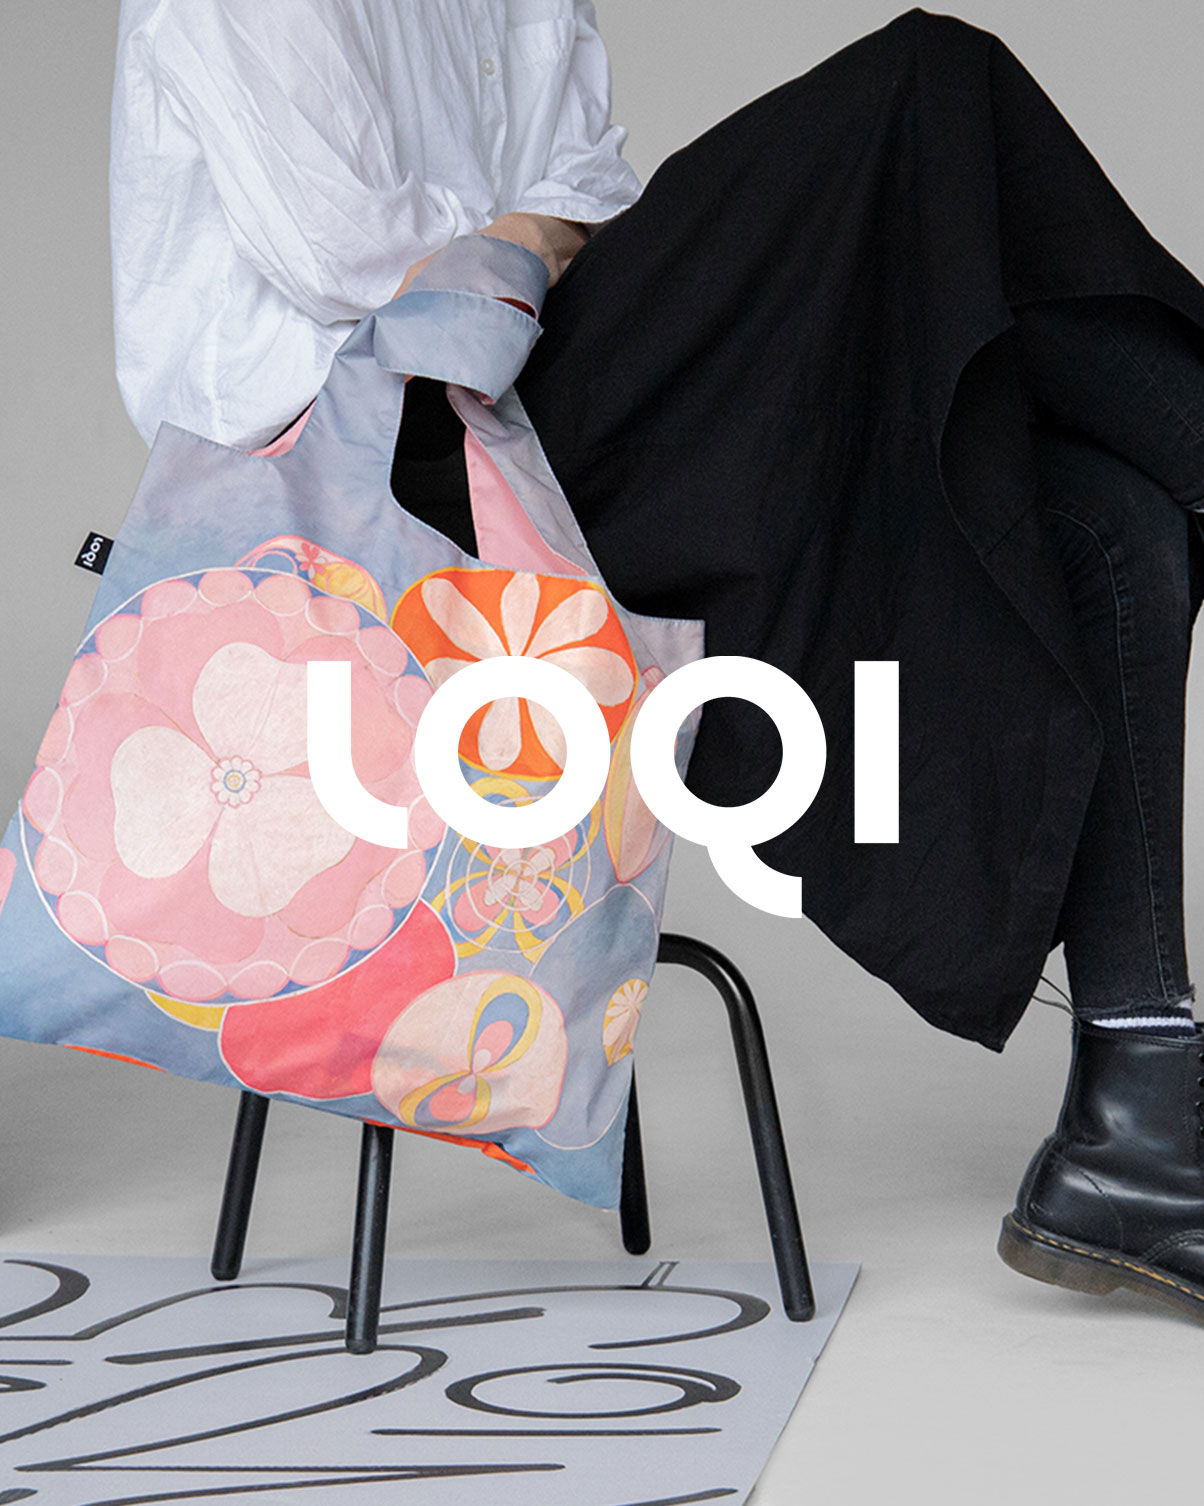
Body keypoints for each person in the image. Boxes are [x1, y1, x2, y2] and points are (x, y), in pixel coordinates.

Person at [110, 0, 1204, 1322]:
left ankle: (1137, 1126)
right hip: (356, 485)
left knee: (1106, 519)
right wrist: (529, 238)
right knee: (925, 87)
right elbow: (367, 261)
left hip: (524, 403)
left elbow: (587, 190)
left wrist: (524, 239)